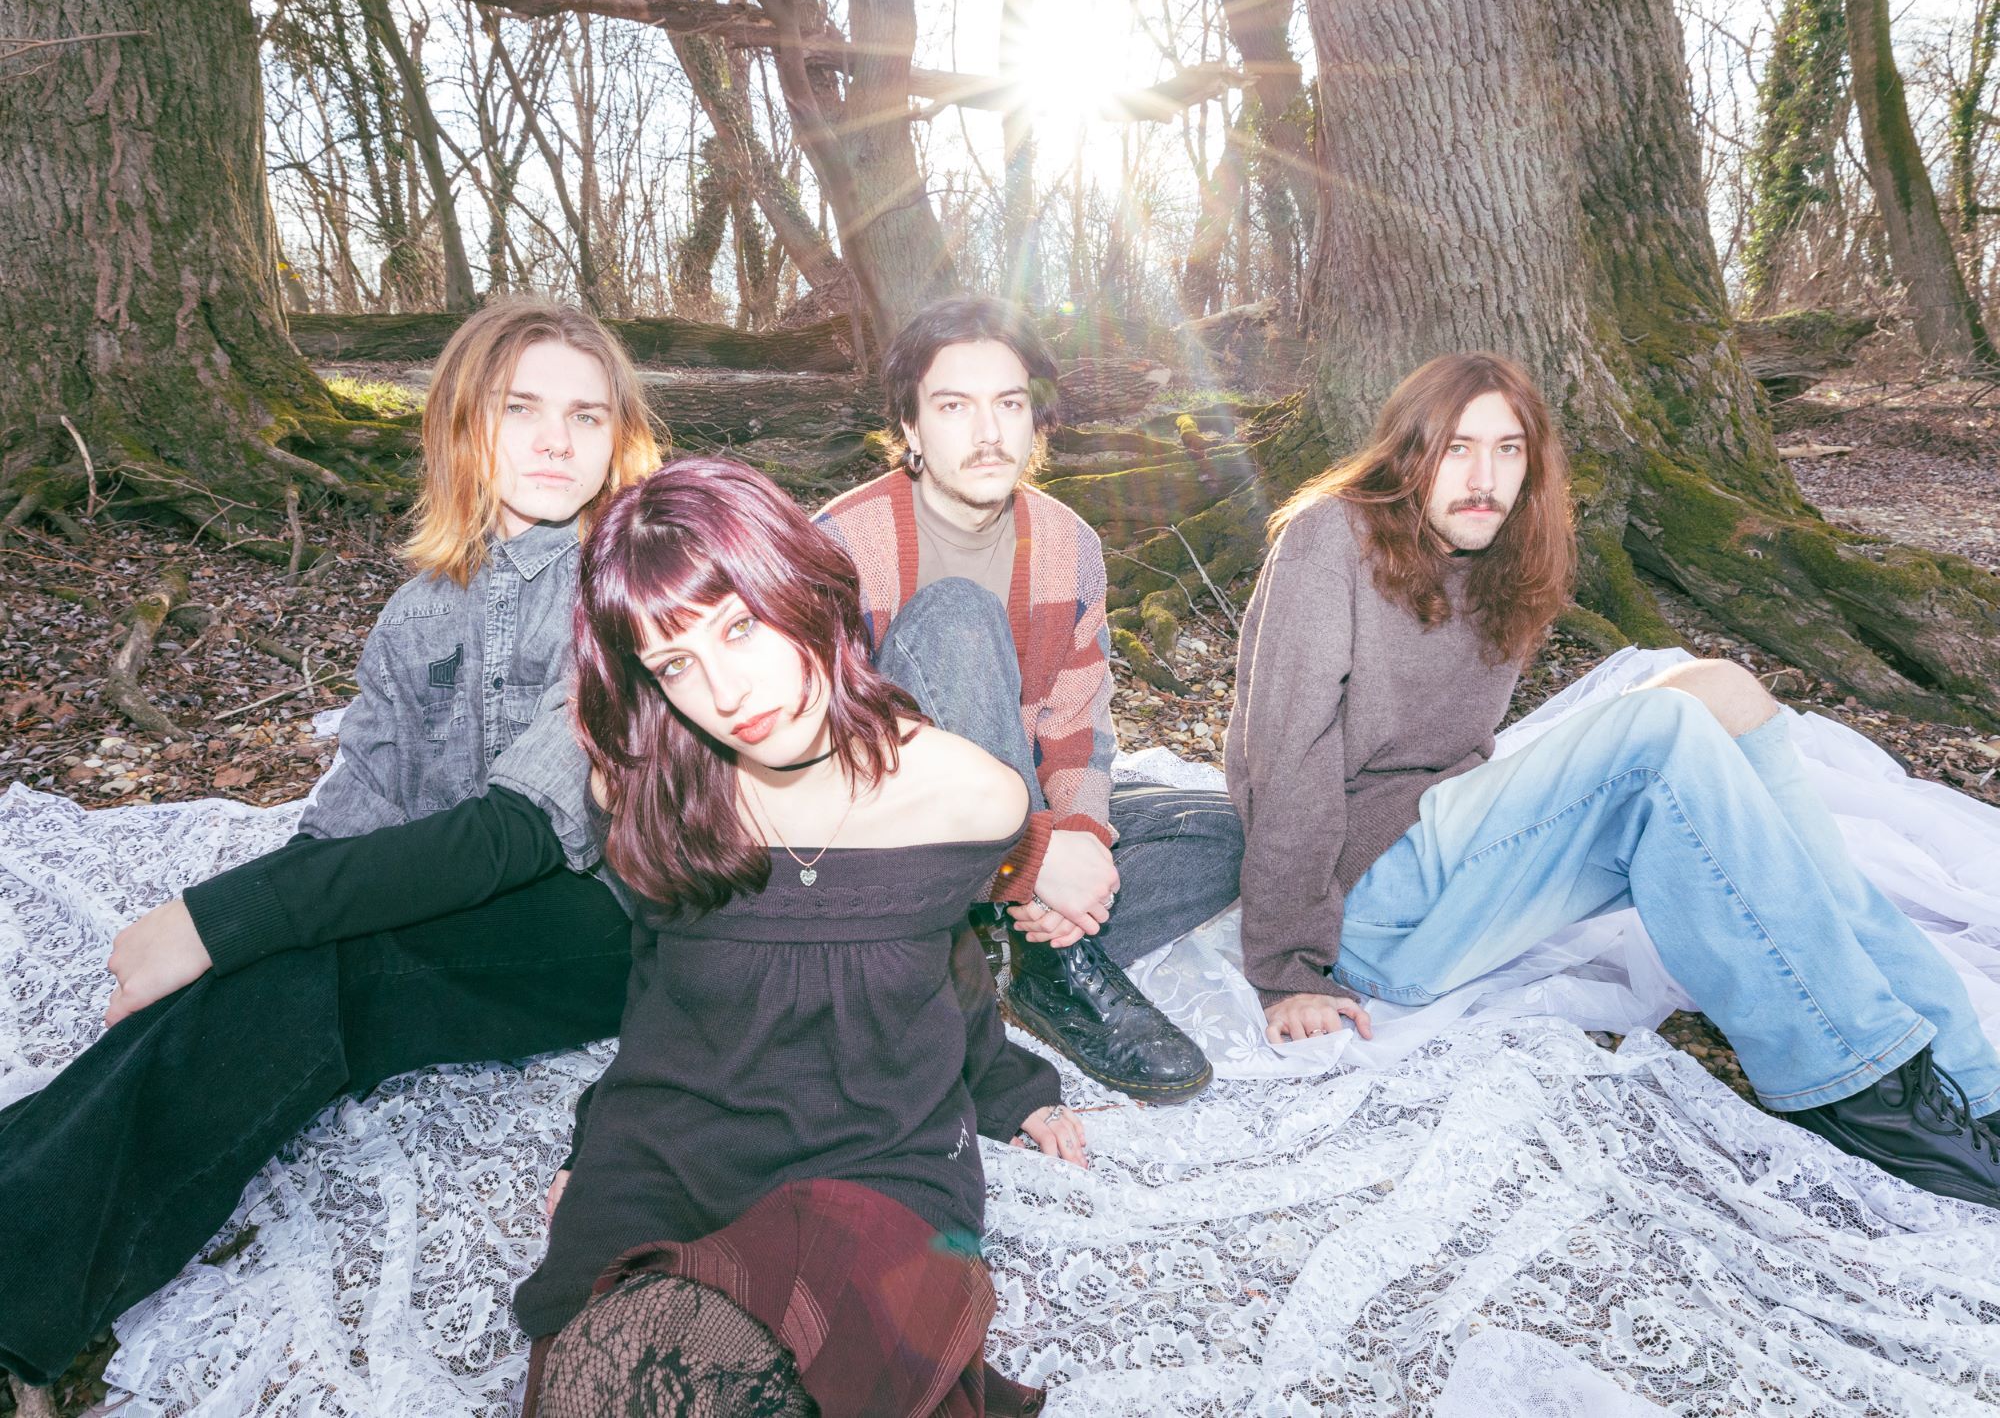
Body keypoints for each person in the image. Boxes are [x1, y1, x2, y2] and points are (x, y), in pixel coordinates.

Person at [0, 296, 663, 1387]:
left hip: (602, 921)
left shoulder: (632, 590)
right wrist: (225, 936)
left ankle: (18, 1308)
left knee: (305, 965)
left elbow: (513, 837)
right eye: (521, 408)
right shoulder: (420, 612)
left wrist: (218, 918)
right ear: (462, 425)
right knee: (252, 961)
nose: (556, 439)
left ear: (618, 438)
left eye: (586, 416)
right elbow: (348, 829)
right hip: (459, 892)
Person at [1226, 350, 2000, 1208]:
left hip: (1458, 851)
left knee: (1723, 692)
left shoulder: (1507, 554)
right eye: (1457, 449)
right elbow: (1283, 758)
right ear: (1409, 452)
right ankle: (1863, 1087)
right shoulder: (1329, 538)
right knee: (1659, 731)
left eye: (1508, 450)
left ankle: (1969, 1079)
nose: (1484, 479)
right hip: (1374, 901)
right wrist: (1290, 970)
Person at [515, 456, 1075, 1418]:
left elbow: (947, 958)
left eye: (740, 626)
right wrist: (596, 1134)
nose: (727, 690)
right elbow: (660, 980)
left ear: (807, 589)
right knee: (619, 1384)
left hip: (877, 1162)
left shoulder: (970, 795)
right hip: (667, 1155)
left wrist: (1006, 1087)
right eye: (675, 663)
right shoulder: (644, 789)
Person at [815, 296, 1239, 1105]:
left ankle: (1017, 950)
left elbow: (1074, 729)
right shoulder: (837, 547)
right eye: (954, 407)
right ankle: (1046, 948)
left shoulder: (1069, 544)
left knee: (1226, 831)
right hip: (895, 838)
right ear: (908, 425)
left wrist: (1077, 837)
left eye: (1009, 404)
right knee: (957, 617)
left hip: (1016, 832)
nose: (988, 432)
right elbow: (832, 765)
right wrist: (1032, 861)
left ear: (1036, 420)